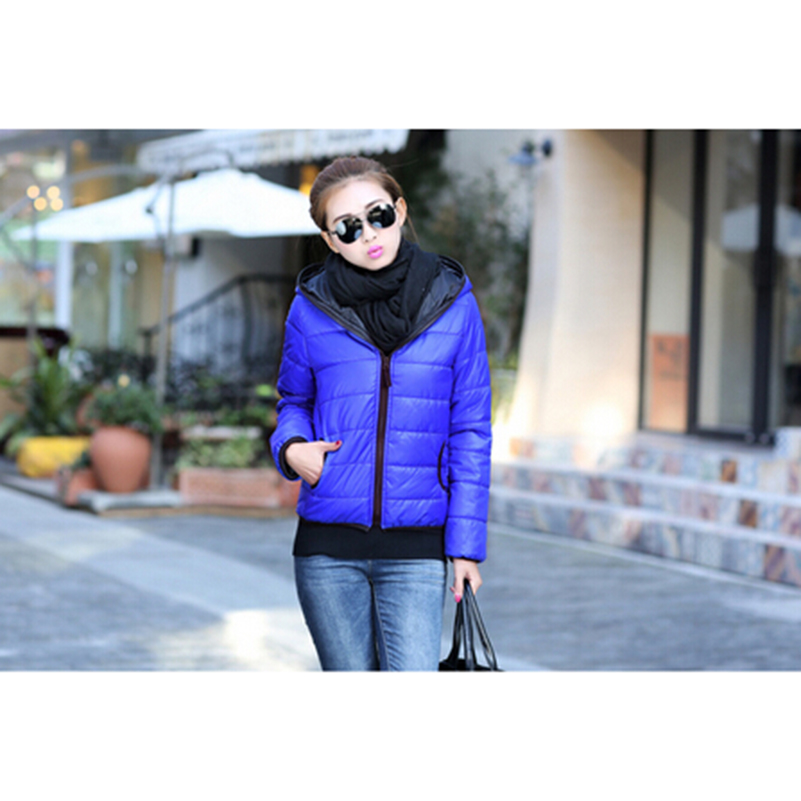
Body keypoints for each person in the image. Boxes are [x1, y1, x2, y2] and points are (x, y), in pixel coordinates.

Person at [270, 156, 492, 671]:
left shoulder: (453, 303)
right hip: (326, 548)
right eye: (348, 227)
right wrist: (291, 448)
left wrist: (465, 548)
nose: (368, 234)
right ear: (330, 240)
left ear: (401, 210)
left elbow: (471, 430)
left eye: (379, 216)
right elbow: (294, 401)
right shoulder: (310, 307)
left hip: (416, 549)